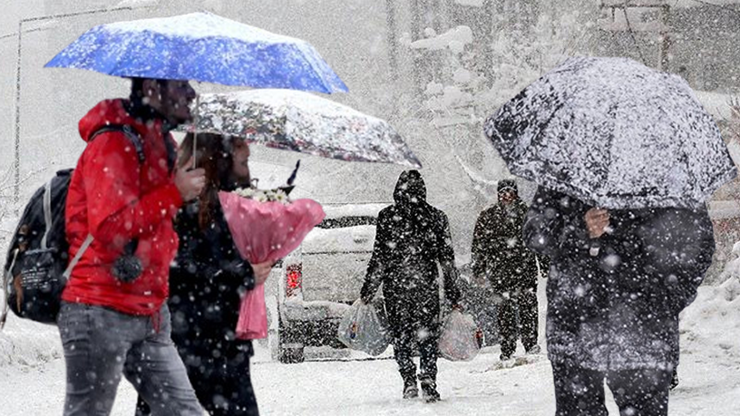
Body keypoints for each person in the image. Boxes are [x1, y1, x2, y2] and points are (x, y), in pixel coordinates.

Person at [59, 78, 206, 415]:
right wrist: (174, 193)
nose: (191, 94)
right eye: (182, 85)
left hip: (149, 310)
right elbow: (109, 227)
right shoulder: (113, 141)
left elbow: (156, 220)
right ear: (154, 88)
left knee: (185, 411)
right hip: (99, 307)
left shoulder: (159, 143)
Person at [522, 186, 715, 416]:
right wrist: (580, 227)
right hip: (575, 326)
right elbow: (535, 235)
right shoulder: (566, 169)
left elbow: (700, 243)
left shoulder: (667, 173)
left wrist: (668, 300)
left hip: (644, 331)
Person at [135, 133, 272, 415]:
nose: (249, 171)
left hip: (214, 345)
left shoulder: (232, 207)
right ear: (219, 162)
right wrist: (242, 274)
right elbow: (175, 268)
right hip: (186, 343)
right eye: (243, 162)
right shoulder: (176, 208)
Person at [360, 170, 462, 403]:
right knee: (428, 336)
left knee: (402, 335)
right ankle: (428, 378)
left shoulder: (387, 217)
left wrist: (368, 289)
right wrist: (453, 292)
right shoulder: (436, 217)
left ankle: (408, 379)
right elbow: (447, 260)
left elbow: (380, 257)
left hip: (396, 288)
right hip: (425, 286)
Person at [471, 179, 548, 361]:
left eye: (509, 191)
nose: (506, 195)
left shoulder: (528, 214)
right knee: (504, 310)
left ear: (515, 193)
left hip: (524, 268)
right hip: (500, 270)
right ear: (498, 194)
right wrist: (478, 268)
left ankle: (530, 344)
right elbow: (479, 244)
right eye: (503, 192)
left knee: (527, 307)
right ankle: (507, 347)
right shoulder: (489, 215)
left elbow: (540, 241)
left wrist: (544, 264)